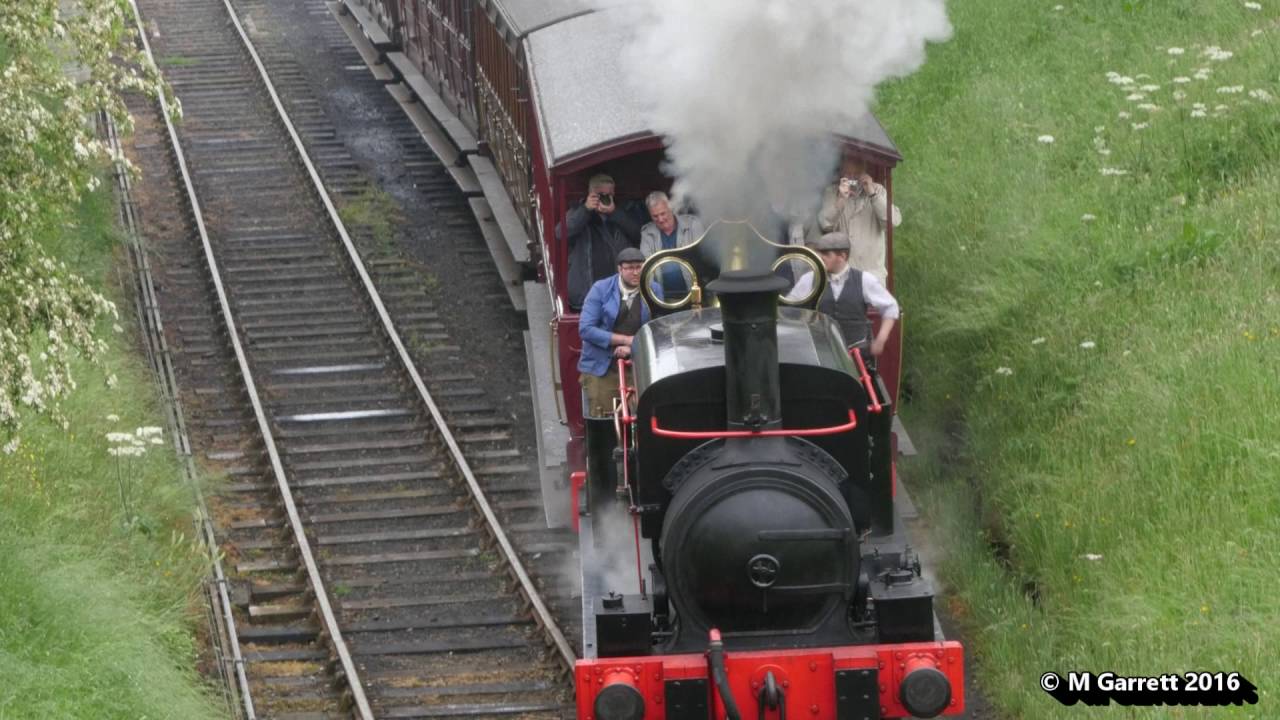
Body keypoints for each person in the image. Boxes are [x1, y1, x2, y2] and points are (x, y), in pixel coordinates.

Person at [785, 232, 899, 358]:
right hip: (821, 354)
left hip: (858, 356)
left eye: (826, 254)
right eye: (819, 253)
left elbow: (891, 307)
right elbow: (788, 308)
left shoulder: (865, 280)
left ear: (842, 256)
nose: (819, 257)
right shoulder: (809, 279)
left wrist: (881, 340)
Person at [578, 248, 662, 417]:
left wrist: (634, 348)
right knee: (602, 415)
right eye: (630, 268)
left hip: (639, 365)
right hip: (602, 366)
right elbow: (586, 329)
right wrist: (626, 340)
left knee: (644, 415)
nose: (636, 272)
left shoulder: (654, 290)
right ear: (620, 269)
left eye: (639, 267)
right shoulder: (600, 289)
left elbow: (660, 328)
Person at [560, 173, 642, 310]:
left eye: (608, 194)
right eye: (600, 195)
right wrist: (585, 210)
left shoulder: (623, 211)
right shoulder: (578, 211)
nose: (604, 198)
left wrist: (614, 213)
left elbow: (638, 234)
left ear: (613, 193)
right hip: (586, 293)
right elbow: (561, 233)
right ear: (591, 194)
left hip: (619, 293)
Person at [817, 156, 901, 285]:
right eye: (848, 174)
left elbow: (893, 222)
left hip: (872, 276)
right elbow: (825, 224)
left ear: (864, 174)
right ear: (841, 174)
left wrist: (872, 194)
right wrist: (840, 200)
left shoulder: (878, 190)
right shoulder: (832, 192)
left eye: (856, 174)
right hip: (842, 273)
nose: (852, 179)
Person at [638, 191, 705, 297]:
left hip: (695, 292)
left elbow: (704, 259)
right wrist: (653, 296)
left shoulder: (693, 224)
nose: (660, 219)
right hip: (663, 297)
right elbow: (646, 266)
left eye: (663, 213)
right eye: (655, 216)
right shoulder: (647, 233)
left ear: (671, 208)